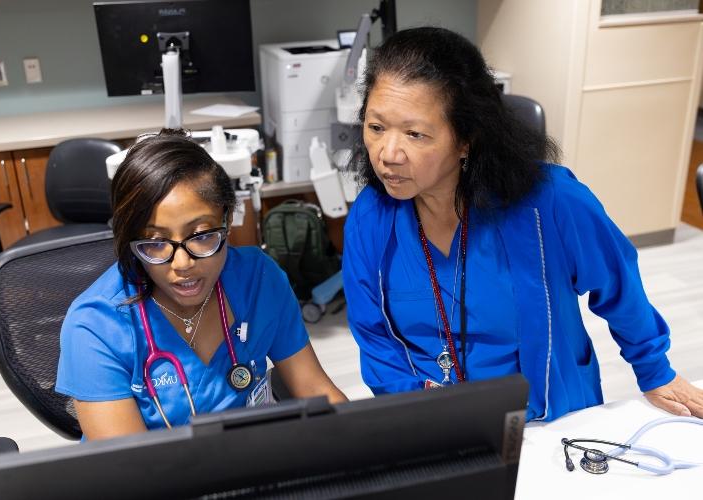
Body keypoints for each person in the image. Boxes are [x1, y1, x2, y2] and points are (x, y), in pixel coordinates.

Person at [342, 27, 703, 421]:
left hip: (547, 418)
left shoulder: (551, 202)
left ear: (466, 140)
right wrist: (423, 418)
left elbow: (618, 284)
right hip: (434, 422)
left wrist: (654, 371)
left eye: (415, 134)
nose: (388, 153)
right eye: (376, 128)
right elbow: (374, 336)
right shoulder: (370, 216)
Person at [56, 129, 346, 439]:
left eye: (203, 236)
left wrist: (368, 448)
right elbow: (132, 472)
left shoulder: (258, 279)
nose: (182, 265)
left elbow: (314, 387)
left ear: (226, 221)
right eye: (155, 243)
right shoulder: (95, 325)